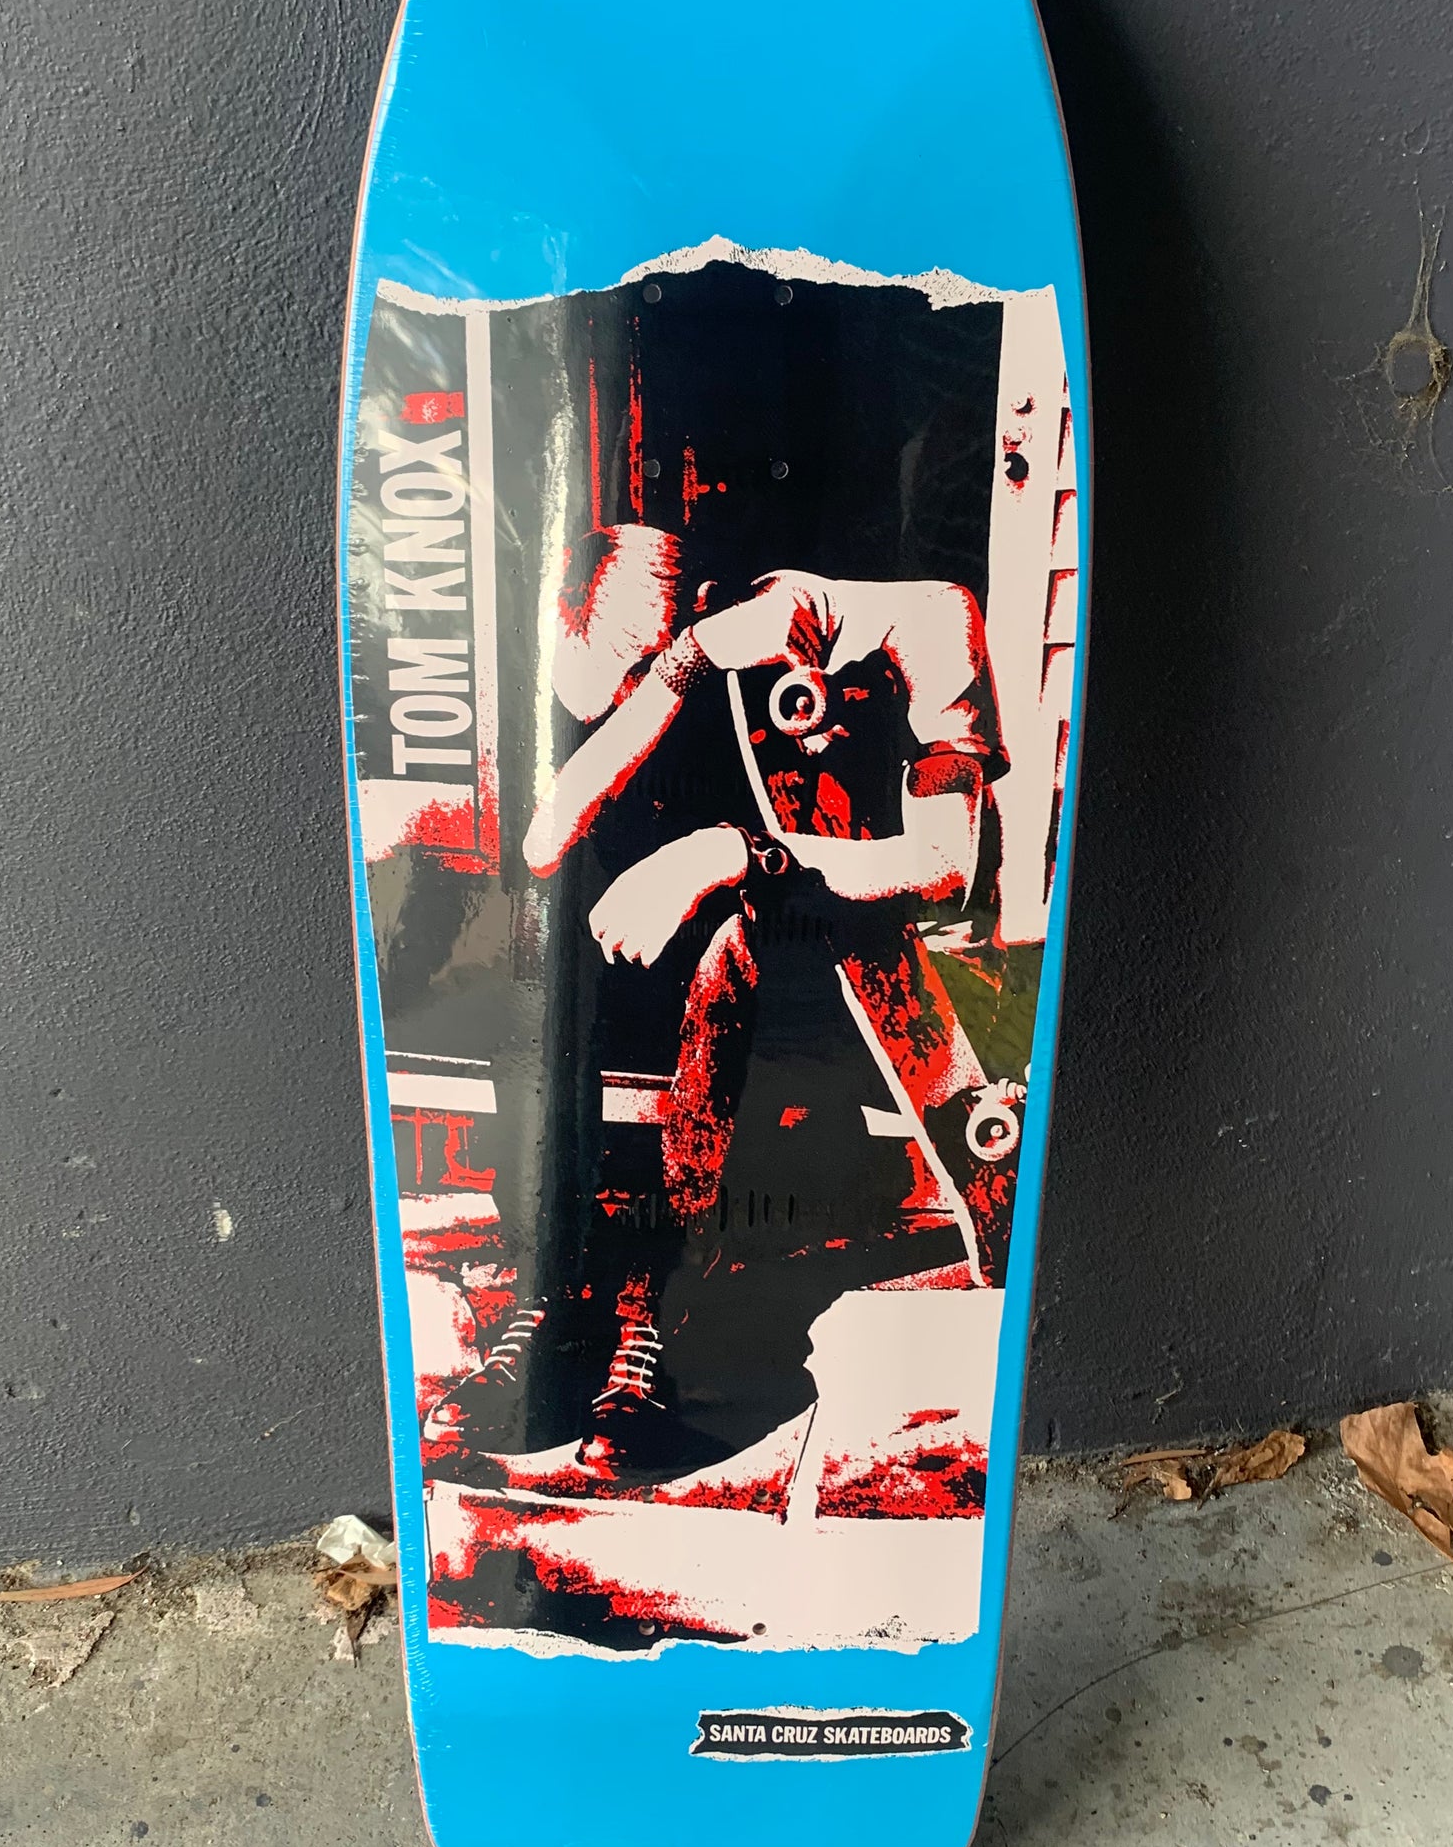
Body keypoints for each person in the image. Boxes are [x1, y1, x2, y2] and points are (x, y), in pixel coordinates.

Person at [425, 557, 1025, 1486]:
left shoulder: (932, 625)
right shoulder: (713, 642)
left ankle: (672, 1314)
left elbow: (945, 866)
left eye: (650, 675)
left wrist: (733, 851)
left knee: (736, 937)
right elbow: (547, 838)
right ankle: (558, 1288)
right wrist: (686, 666)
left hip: (866, 974)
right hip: (741, 950)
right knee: (538, 921)